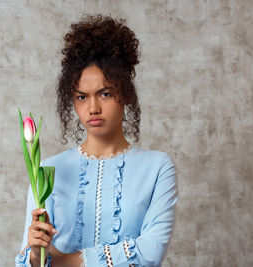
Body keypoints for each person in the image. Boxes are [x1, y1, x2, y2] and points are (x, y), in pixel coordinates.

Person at [15, 14, 178, 267]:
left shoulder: (157, 167)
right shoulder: (47, 171)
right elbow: (29, 260)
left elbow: (149, 254)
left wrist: (62, 261)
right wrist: (37, 254)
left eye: (104, 93)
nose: (93, 108)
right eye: (81, 97)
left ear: (126, 94)